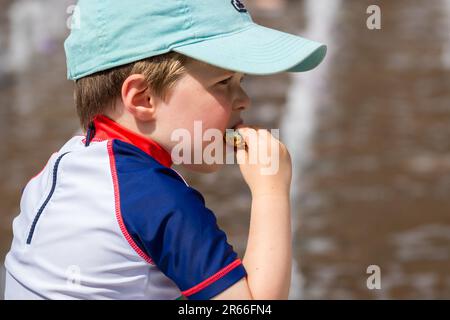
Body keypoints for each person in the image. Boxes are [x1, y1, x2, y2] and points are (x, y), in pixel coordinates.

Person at [4, 0, 326, 300]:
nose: (244, 99)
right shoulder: (156, 199)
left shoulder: (59, 168)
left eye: (242, 81)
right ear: (143, 98)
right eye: (224, 82)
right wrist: (271, 191)